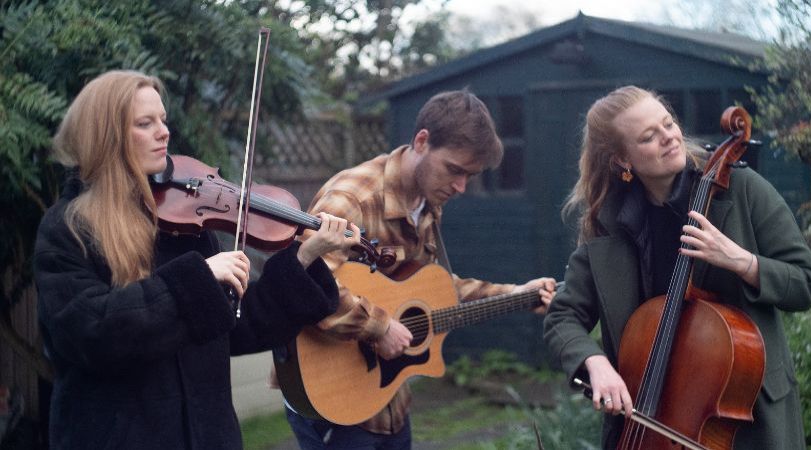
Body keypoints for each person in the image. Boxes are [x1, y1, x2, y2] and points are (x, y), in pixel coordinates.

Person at [33, 70, 363, 450]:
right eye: (145, 123)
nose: (164, 132)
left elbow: (230, 327)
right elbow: (89, 331)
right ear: (106, 136)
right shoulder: (67, 228)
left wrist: (304, 258)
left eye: (163, 120)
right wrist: (198, 278)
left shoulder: (182, 222)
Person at [272, 90, 557, 449]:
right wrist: (377, 326)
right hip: (332, 400)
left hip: (389, 400)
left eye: (470, 175)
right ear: (422, 141)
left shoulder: (426, 201)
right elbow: (304, 286)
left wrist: (515, 294)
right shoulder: (352, 199)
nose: (460, 187)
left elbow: (429, 288)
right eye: (454, 170)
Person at [543, 86, 811, 449]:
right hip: (647, 421)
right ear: (622, 161)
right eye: (648, 137)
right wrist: (594, 361)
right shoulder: (607, 225)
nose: (669, 138)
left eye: (668, 123)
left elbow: (805, 282)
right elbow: (563, 316)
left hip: (745, 416)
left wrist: (741, 260)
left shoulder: (742, 189)